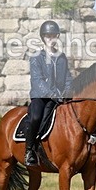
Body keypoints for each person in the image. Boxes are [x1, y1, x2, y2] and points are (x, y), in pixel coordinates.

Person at [25, 20, 72, 167]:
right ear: (43, 37)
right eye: (48, 36)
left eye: (53, 35)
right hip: (40, 96)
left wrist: (69, 91)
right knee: (37, 117)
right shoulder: (36, 57)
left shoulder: (62, 57)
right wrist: (53, 94)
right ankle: (29, 150)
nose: (50, 38)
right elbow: (38, 80)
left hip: (57, 97)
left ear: (57, 36)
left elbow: (68, 77)